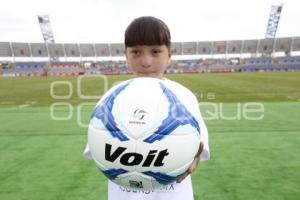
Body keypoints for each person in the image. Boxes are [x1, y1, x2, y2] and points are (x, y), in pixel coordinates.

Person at [83, 16, 210, 200]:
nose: (146, 62)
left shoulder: (183, 96)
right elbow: (98, 148)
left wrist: (194, 160)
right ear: (125, 54)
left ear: (169, 54)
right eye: (136, 52)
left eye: (155, 51)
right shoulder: (112, 98)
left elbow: (198, 147)